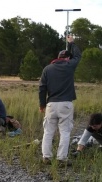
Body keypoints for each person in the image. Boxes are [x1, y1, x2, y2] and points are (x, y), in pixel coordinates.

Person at [39, 35, 81, 166]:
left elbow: (42, 87)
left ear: (58, 57)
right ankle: (61, 159)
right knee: (65, 132)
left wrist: (42, 104)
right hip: (66, 104)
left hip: (51, 104)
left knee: (48, 131)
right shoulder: (69, 66)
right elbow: (78, 56)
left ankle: (46, 157)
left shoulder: (47, 68)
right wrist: (72, 43)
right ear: (67, 58)